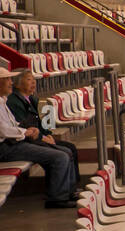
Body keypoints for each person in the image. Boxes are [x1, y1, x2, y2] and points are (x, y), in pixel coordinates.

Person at [0, 66, 77, 207]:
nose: (10, 82)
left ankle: (67, 192)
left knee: (66, 151)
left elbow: (15, 124)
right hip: (7, 147)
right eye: (7, 79)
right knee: (61, 156)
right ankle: (57, 198)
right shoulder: (11, 101)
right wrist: (28, 133)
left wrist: (38, 132)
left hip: (17, 141)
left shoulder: (8, 101)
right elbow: (4, 130)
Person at [8, 69, 78, 174]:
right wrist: (43, 138)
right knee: (64, 152)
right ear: (17, 85)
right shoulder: (13, 102)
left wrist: (48, 134)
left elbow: (45, 122)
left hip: (40, 137)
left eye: (34, 79)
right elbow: (26, 127)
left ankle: (73, 186)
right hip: (29, 140)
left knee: (71, 147)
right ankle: (63, 189)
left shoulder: (34, 99)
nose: (33, 82)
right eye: (28, 79)